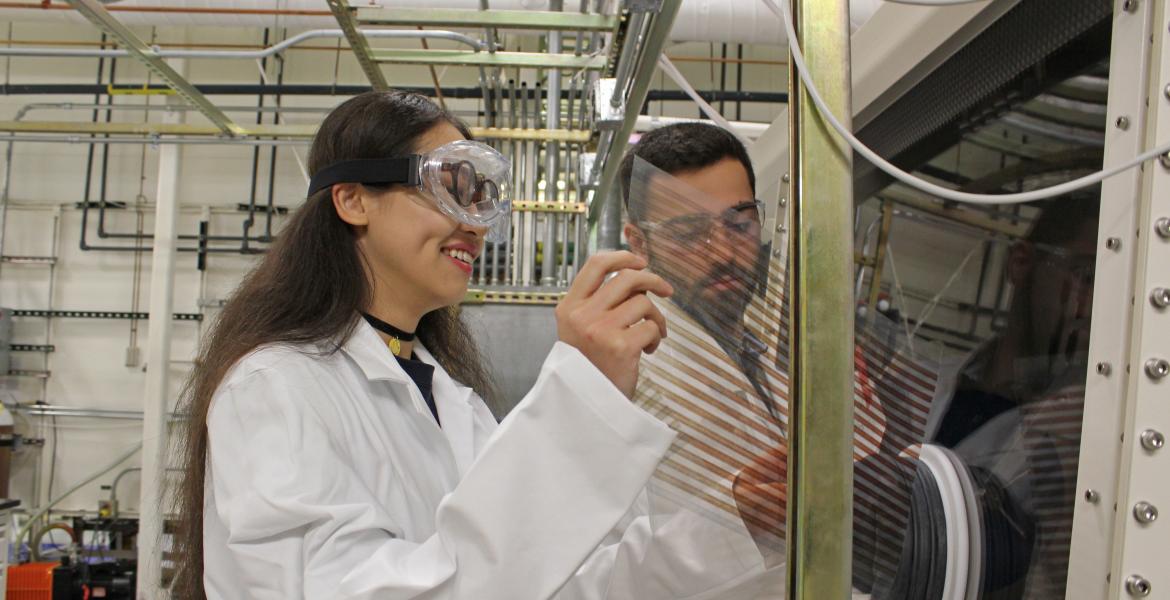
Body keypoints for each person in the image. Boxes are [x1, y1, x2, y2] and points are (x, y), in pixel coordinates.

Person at [170, 90, 684, 599]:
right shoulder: (275, 386)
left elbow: (557, 580)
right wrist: (577, 403)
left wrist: (735, 532)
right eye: (451, 187)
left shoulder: (453, 401)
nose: (474, 225)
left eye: (481, 198)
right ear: (352, 199)